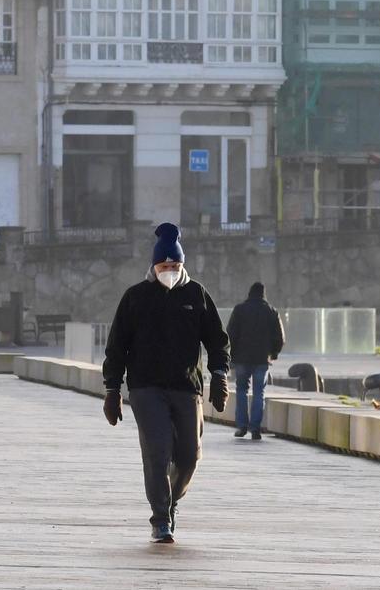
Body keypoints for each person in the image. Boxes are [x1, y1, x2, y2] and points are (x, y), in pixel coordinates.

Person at [102, 222, 230, 543]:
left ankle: (171, 500)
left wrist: (219, 375)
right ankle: (160, 518)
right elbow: (117, 345)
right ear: (154, 266)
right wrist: (112, 389)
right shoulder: (136, 297)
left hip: (187, 388)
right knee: (157, 450)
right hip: (146, 388)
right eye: (164, 266)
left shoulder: (197, 294)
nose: (169, 271)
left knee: (189, 455)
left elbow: (217, 340)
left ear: (182, 264)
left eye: (175, 266)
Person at [226, 282, 285, 440]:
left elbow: (230, 334)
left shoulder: (239, 310)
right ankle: (255, 428)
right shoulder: (271, 311)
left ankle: (241, 426)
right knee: (259, 392)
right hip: (261, 359)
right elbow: (280, 337)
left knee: (241, 390)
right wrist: (273, 353)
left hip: (242, 359)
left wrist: (231, 355)